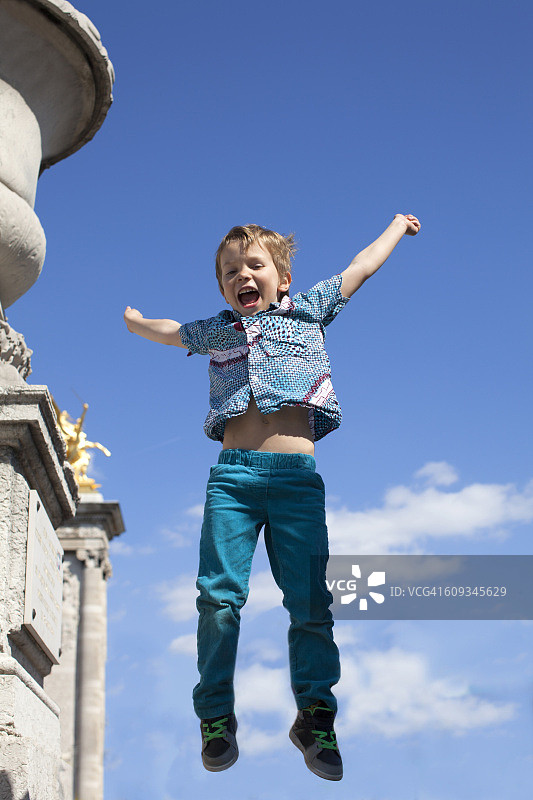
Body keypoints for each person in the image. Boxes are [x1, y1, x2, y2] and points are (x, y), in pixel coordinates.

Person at [124, 213, 421, 781]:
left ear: (282, 277)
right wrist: (137, 324)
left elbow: (360, 268)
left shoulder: (309, 311)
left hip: (295, 483)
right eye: (230, 271)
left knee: (310, 603)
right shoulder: (217, 331)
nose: (243, 275)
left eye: (254, 266)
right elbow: (171, 331)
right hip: (232, 480)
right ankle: (215, 714)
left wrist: (394, 228)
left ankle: (314, 716)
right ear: (223, 287)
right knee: (219, 599)